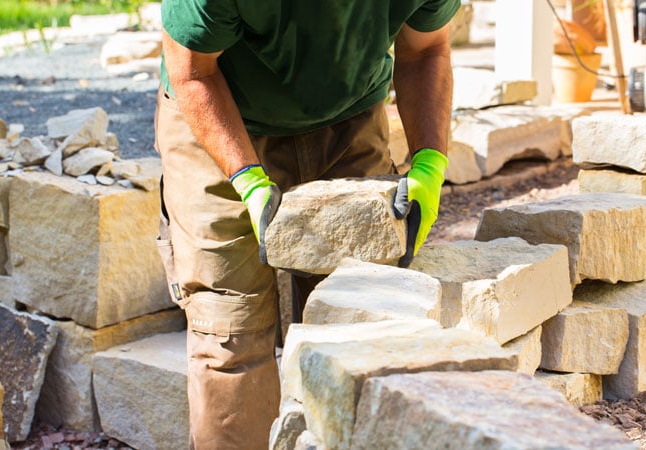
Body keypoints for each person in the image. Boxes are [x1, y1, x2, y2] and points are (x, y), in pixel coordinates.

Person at [154, 0, 459, 448]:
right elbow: (193, 72)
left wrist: (429, 161)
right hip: (221, 116)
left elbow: (426, 49)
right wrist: (249, 182)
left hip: (348, 119)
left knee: (354, 319)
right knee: (230, 337)